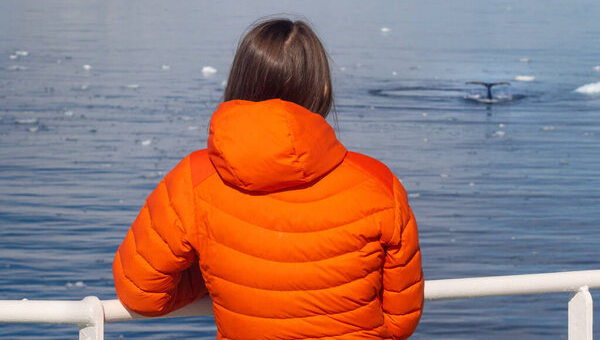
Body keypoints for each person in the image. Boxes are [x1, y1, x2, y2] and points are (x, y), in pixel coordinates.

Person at [113, 18, 424, 339]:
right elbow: (401, 320)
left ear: (240, 83)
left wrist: (219, 274)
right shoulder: (378, 183)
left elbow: (142, 294)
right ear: (324, 89)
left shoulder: (194, 178)